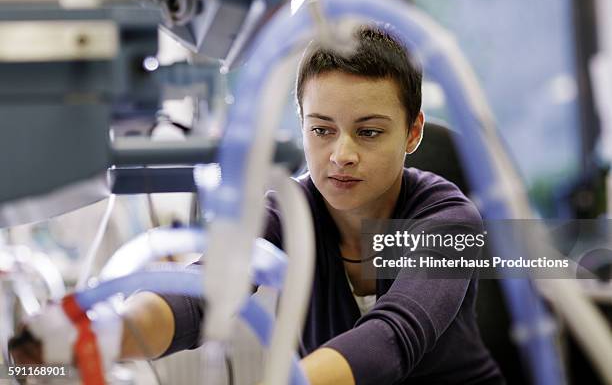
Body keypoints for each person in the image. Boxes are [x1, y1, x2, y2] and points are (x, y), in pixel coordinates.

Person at [10, 26, 503, 385]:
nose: (342, 154)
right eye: (322, 129)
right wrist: (104, 336)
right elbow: (198, 295)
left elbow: (395, 337)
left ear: (412, 132)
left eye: (369, 132)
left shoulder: (448, 219)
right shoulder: (287, 212)